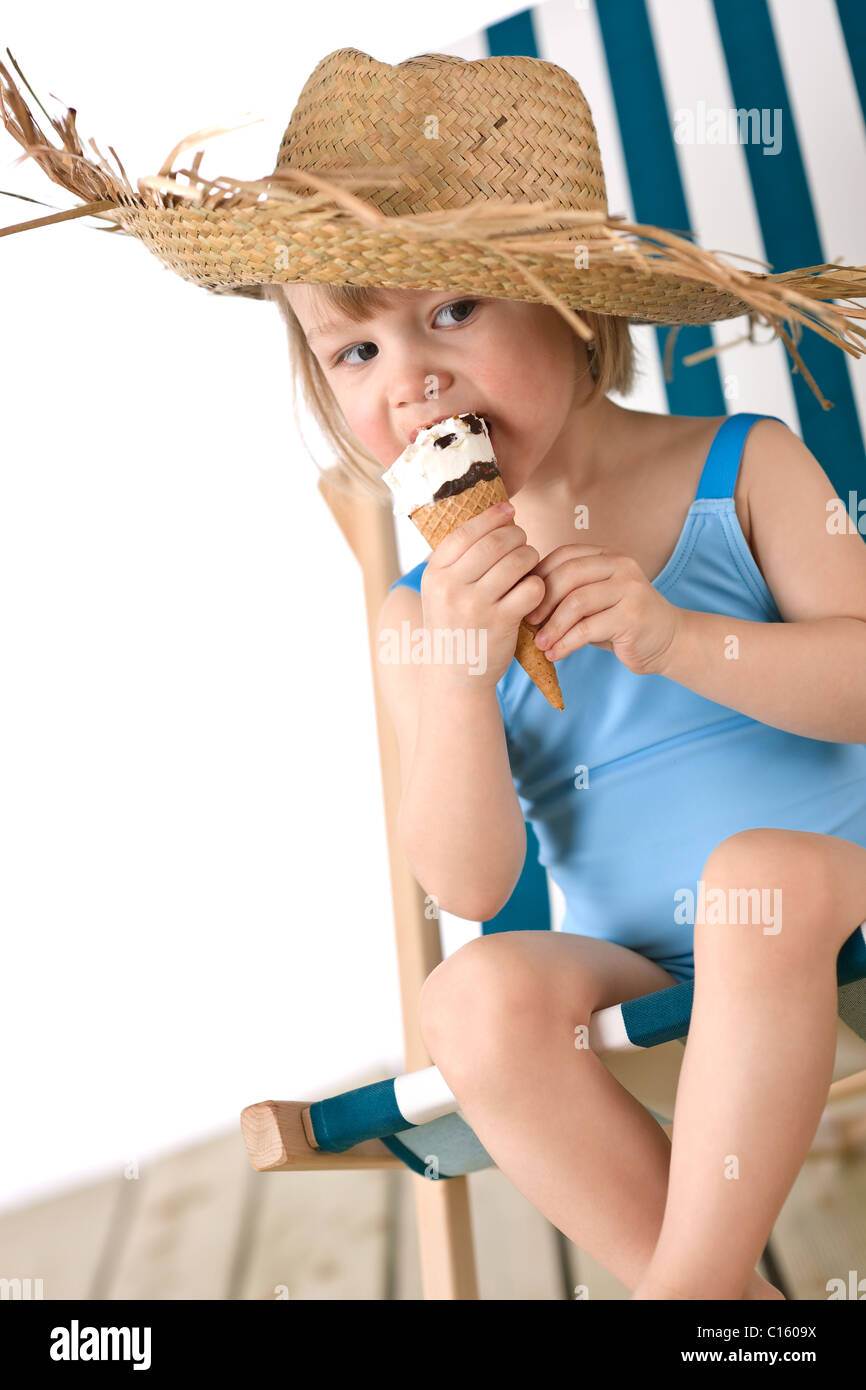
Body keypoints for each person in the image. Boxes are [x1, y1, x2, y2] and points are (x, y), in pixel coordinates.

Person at [4, 44, 866, 1301]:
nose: (408, 382)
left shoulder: (741, 467)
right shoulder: (424, 614)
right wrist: (459, 682)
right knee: (471, 1002)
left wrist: (683, 641)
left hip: (825, 890)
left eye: (449, 311)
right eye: (352, 353)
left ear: (572, 309)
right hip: (628, 958)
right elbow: (467, 878)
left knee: (751, 878)